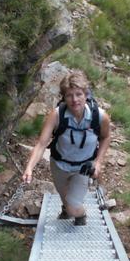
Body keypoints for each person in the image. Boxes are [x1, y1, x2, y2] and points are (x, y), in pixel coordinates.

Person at [22, 71, 111, 225]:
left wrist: (98, 162)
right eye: (69, 95)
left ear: (86, 94)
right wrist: (29, 168)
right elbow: (41, 144)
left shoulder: (100, 116)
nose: (74, 100)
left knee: (73, 207)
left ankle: (80, 215)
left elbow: (106, 137)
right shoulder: (57, 115)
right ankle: (67, 208)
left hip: (83, 168)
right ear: (64, 97)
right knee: (66, 201)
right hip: (59, 166)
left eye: (79, 94)